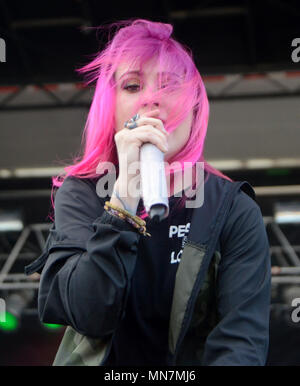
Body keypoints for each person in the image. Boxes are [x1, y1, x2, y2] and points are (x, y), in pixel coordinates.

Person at [25, 18, 271, 366]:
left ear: (195, 106)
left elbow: (241, 343)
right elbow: (88, 312)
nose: (152, 100)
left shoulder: (232, 209)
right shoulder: (81, 195)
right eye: (132, 86)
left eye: (169, 84)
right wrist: (123, 199)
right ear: (109, 110)